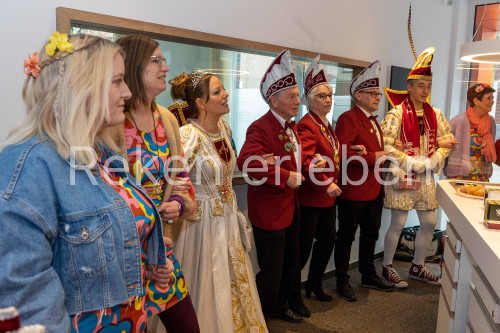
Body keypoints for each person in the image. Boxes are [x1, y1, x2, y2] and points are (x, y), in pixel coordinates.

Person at [0, 33, 176, 332]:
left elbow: (81, 256)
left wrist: (141, 262)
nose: (127, 92)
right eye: (117, 81)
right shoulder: (32, 164)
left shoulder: (103, 154)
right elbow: (24, 296)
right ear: (82, 89)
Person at [111, 34, 199, 333]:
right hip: (125, 256)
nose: (165, 68)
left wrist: (177, 203)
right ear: (134, 67)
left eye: (164, 60)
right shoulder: (111, 123)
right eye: (156, 60)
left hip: (161, 254)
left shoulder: (168, 119)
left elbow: (180, 178)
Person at [170, 69, 268, 332]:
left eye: (223, 89)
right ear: (200, 103)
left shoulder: (224, 127)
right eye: (217, 92)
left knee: (231, 280)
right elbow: (172, 176)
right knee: (204, 281)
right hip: (199, 225)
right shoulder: (189, 134)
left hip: (227, 219)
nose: (225, 94)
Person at [237, 50, 305, 324]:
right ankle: (264, 317)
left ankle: (281, 307)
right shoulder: (259, 127)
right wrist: (283, 174)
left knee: (290, 265)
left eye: (298, 96)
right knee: (272, 270)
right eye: (292, 97)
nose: (298, 101)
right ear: (274, 100)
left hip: (291, 208)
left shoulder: (292, 126)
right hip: (270, 211)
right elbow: (246, 161)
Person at [381, 47, 454, 287]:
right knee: (399, 222)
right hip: (402, 173)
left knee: (430, 222)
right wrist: (410, 161)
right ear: (409, 86)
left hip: (427, 175)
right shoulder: (396, 114)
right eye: (421, 86)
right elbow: (385, 144)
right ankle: (387, 267)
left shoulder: (436, 114)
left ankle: (418, 266)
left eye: (428, 86)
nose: (425, 91)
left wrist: (434, 160)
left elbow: (448, 141)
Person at [334, 60, 395, 302]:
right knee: (346, 237)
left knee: (371, 235)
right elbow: (343, 153)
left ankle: (368, 274)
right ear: (358, 95)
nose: (377, 97)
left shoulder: (373, 120)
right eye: (372, 93)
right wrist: (374, 156)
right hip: (354, 191)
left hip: (374, 189)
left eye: (378, 93)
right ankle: (341, 280)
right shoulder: (348, 118)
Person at [288, 55, 341, 317]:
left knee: (328, 240)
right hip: (312, 197)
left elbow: (330, 155)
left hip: (327, 199)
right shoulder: (306, 125)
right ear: (309, 100)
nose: (328, 99)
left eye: (330, 95)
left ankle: (316, 284)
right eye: (321, 96)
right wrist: (326, 184)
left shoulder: (326, 125)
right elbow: (307, 162)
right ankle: (293, 295)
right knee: (303, 249)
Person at [444, 83, 496, 181]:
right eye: (489, 98)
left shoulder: (491, 121)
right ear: (476, 101)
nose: (492, 101)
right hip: (459, 176)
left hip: (482, 177)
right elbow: (445, 150)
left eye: (492, 98)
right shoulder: (458, 121)